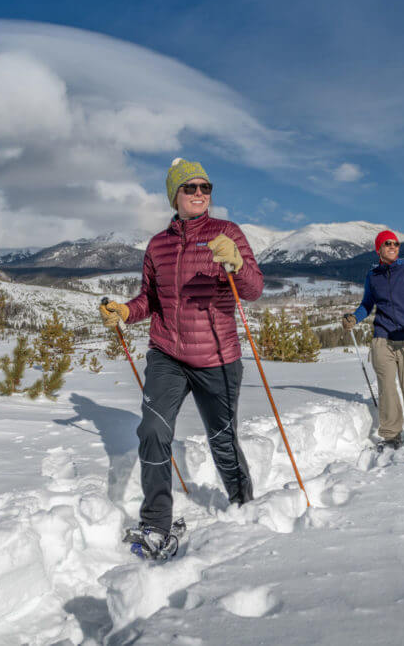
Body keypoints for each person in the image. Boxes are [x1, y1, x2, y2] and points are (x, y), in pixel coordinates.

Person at [100, 157, 262, 558]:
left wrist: (237, 264)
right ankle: (156, 520)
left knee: (223, 441)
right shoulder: (158, 244)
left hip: (218, 356)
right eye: (190, 188)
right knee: (153, 433)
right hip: (167, 354)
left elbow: (254, 289)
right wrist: (125, 311)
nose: (199, 194)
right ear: (174, 194)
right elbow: (150, 299)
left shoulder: (228, 233)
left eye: (205, 187)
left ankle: (245, 505)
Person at [343, 230, 404, 448]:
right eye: (388, 244)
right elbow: (367, 305)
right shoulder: (373, 276)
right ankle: (390, 435)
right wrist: (354, 318)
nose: (393, 246)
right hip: (382, 337)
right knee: (386, 386)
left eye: (396, 243)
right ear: (378, 248)